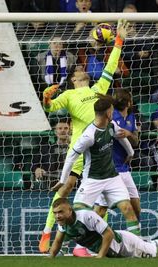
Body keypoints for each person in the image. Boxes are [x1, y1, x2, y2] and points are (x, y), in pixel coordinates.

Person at [38, 18, 130, 254]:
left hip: (100, 149)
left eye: (81, 68)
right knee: (65, 188)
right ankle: (47, 232)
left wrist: (118, 41)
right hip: (81, 148)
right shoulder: (69, 95)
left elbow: (110, 66)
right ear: (73, 79)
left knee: (102, 195)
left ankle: (86, 246)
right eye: (77, 71)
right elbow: (51, 108)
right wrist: (47, 98)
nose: (80, 69)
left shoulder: (98, 89)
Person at [58, 94, 140, 237]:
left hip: (112, 177)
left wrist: (130, 153)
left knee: (128, 208)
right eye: (112, 110)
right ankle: (65, 244)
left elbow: (121, 137)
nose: (113, 112)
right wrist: (62, 181)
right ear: (108, 113)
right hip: (92, 179)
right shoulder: (89, 136)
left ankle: (138, 246)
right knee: (77, 214)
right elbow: (71, 157)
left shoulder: (111, 125)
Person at [49, 198, 158, 258]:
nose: (57, 216)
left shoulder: (86, 216)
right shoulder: (63, 223)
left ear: (70, 210)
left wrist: (100, 256)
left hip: (124, 245)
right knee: (150, 247)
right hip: (120, 246)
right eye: (55, 213)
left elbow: (108, 234)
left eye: (60, 212)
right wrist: (50, 258)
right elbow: (57, 242)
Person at [94, 89, 141, 220]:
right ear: (129, 102)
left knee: (135, 205)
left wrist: (129, 133)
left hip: (124, 168)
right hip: (109, 168)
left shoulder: (132, 117)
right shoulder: (111, 117)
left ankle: (137, 237)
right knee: (101, 210)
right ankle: (87, 237)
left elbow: (136, 141)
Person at [31, 119, 71, 189]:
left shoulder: (75, 148)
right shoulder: (46, 148)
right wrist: (36, 169)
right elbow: (33, 164)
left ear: (70, 131)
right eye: (60, 128)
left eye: (66, 128)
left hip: (71, 184)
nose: (63, 130)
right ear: (55, 132)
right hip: (50, 184)